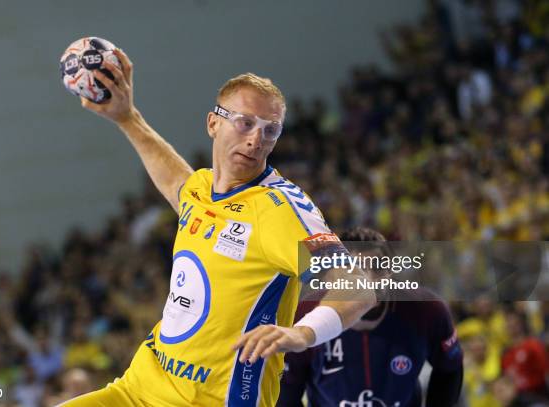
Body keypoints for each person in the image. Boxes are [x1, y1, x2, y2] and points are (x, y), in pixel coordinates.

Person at [59, 50, 376, 406]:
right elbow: (177, 182)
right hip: (137, 391)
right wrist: (127, 117)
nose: (256, 140)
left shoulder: (279, 209)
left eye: (270, 131)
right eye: (245, 123)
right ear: (213, 123)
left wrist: (302, 333)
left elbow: (358, 287)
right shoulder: (202, 189)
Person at [277, 227, 464, 407]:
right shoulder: (304, 314)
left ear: (391, 270)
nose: (368, 280)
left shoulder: (427, 310)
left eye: (377, 267)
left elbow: (450, 369)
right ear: (335, 274)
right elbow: (286, 394)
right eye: (356, 271)